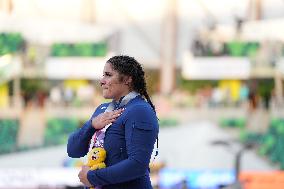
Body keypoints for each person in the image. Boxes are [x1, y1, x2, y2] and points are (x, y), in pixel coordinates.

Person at [67, 55, 159, 189]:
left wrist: (93, 177)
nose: (102, 81)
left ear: (127, 79)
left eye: (108, 75)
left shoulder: (139, 110)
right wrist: (91, 125)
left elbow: (138, 164)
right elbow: (73, 150)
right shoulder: (102, 110)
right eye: (103, 75)